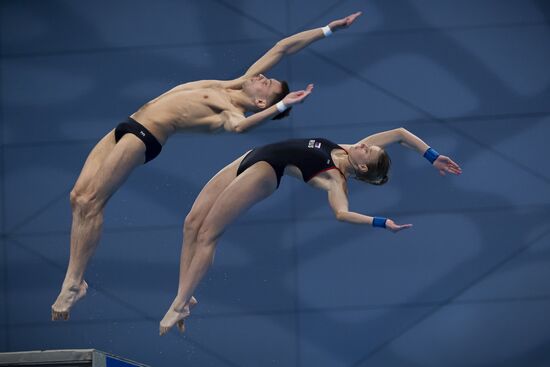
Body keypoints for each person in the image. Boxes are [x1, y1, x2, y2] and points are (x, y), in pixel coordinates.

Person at [51, 12, 364, 321]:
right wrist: (328, 29)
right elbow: (283, 47)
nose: (261, 77)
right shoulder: (235, 83)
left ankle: (74, 284)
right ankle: (74, 281)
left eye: (266, 84)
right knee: (78, 197)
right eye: (266, 77)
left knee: (93, 202)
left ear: (260, 103)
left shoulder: (231, 113)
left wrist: (282, 105)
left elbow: (242, 129)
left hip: (145, 136)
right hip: (128, 123)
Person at [159, 127, 462, 335]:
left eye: (367, 150)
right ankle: (184, 297)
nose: (366, 144)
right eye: (369, 145)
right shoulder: (348, 148)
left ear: (364, 168)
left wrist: (381, 222)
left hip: (265, 173)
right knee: (191, 223)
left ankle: (180, 304)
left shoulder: (336, 180)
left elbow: (341, 213)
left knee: (208, 234)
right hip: (253, 155)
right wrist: (433, 156)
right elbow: (400, 134)